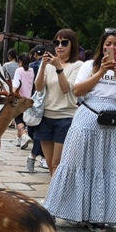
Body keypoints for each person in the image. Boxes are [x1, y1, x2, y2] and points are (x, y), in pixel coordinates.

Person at [43, 28, 116, 232]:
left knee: (104, 167)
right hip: (86, 118)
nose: (111, 48)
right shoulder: (89, 65)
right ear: (102, 46)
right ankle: (55, 207)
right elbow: (77, 91)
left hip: (111, 123)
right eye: (108, 44)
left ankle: (97, 215)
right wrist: (101, 72)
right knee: (73, 162)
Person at [32, 29, 84, 175]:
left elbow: (66, 88)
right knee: (49, 162)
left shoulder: (78, 65)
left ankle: (56, 197)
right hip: (45, 117)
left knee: (57, 163)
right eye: (57, 43)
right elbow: (38, 87)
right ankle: (53, 195)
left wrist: (59, 68)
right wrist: (42, 66)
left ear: (72, 45)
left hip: (65, 118)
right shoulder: (48, 65)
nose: (59, 46)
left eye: (64, 43)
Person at [12, 53, 35, 146]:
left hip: (19, 98)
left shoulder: (19, 70)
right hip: (28, 98)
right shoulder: (32, 70)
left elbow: (15, 87)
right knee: (22, 119)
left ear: (20, 61)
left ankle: (24, 136)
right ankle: (18, 139)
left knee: (18, 119)